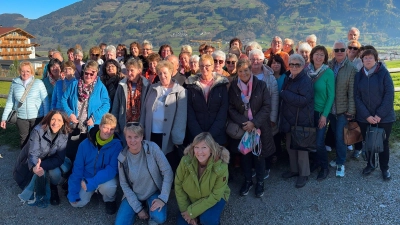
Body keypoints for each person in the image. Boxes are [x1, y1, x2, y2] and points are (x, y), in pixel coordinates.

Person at [228, 59, 275, 197]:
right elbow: (230, 108)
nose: (243, 73)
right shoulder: (233, 87)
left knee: (258, 155)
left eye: (246, 70)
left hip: (259, 127)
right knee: (245, 156)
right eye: (240, 71)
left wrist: (254, 122)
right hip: (243, 128)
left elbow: (267, 106)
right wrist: (245, 123)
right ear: (237, 72)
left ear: (251, 70)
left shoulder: (261, 85)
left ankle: (260, 182)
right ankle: (248, 180)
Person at [115, 125, 173, 225]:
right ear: (125, 137)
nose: (133, 140)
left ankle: (150, 211)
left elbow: (167, 172)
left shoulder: (152, 148)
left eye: (136, 136)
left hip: (153, 192)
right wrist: (138, 209)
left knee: (159, 218)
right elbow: (124, 184)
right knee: (120, 223)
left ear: (142, 137)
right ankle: (140, 207)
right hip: (134, 194)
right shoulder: (122, 157)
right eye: (129, 137)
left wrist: (162, 198)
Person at [67, 113, 122, 214]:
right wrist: (73, 192)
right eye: (106, 127)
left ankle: (109, 200)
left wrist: (92, 182)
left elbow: (112, 169)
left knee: (110, 186)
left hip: (103, 179)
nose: (108, 132)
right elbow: (78, 168)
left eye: (112, 129)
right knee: (75, 203)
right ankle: (90, 192)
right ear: (100, 126)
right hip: (86, 178)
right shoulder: (85, 144)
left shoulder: (117, 145)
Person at [14, 110, 72, 206]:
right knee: (31, 179)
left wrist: (42, 166)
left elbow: (59, 157)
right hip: (31, 160)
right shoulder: (38, 131)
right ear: (48, 120)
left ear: (63, 123)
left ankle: (53, 188)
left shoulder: (64, 134)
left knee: (56, 172)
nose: (55, 123)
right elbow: (33, 153)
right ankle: (39, 188)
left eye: (59, 120)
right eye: (53, 119)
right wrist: (34, 167)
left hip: (47, 161)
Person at [354, 49, 396, 180]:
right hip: (365, 117)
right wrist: (367, 116)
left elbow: (389, 95)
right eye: (365, 58)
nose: (367, 60)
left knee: (383, 143)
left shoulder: (383, 73)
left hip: (384, 117)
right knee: (368, 142)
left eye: (370, 57)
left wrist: (379, 115)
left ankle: (385, 168)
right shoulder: (359, 75)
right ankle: (370, 165)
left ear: (376, 59)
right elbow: (357, 97)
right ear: (362, 60)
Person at [140, 60, 187, 172]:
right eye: (160, 73)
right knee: (152, 161)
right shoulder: (152, 88)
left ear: (171, 72)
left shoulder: (180, 91)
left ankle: (168, 187)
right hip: (151, 133)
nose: (162, 76)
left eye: (165, 73)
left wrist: (177, 137)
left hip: (168, 135)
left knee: (167, 163)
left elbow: (181, 117)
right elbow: (144, 111)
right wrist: (141, 129)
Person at [175, 132, 230, 225]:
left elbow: (215, 196)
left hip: (214, 197)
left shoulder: (221, 166)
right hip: (191, 198)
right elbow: (178, 185)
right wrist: (185, 211)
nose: (199, 152)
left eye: (204, 147)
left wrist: (192, 212)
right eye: (196, 147)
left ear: (211, 150)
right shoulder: (185, 161)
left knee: (208, 219)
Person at [61, 60, 110, 162]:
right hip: (75, 126)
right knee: (72, 154)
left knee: (88, 156)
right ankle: (71, 176)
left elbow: (106, 105)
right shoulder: (74, 85)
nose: (88, 76)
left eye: (91, 73)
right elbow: (63, 99)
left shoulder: (100, 87)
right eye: (86, 73)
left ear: (96, 73)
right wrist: (70, 113)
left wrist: (94, 117)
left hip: (91, 127)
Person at [280, 54, 314, 188]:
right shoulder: (289, 77)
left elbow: (304, 100)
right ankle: (294, 170)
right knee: (290, 147)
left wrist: (285, 94)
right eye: (292, 64)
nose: (294, 67)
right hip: (289, 119)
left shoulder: (305, 80)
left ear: (302, 65)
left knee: (301, 149)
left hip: (301, 120)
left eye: (297, 64)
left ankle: (304, 174)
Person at [1, 61, 49, 148]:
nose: (25, 73)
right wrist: (4, 118)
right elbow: (10, 102)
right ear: (19, 71)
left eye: (28, 71)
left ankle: (36, 159)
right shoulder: (15, 83)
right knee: (24, 139)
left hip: (37, 117)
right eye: (23, 71)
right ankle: (24, 159)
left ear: (31, 71)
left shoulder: (38, 83)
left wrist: (46, 117)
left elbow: (45, 102)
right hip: (21, 118)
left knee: (37, 138)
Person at [327, 41, 357, 177]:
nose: (339, 52)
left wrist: (351, 110)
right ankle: (339, 157)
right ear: (333, 51)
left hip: (343, 110)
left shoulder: (351, 68)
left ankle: (341, 163)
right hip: (331, 109)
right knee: (336, 134)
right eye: (336, 50)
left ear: (346, 51)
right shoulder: (329, 65)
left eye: (342, 49)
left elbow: (352, 92)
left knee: (340, 137)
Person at [185, 54, 229, 146]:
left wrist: (211, 135)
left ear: (212, 66)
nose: (204, 68)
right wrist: (199, 135)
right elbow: (190, 112)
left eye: (207, 66)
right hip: (196, 136)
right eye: (201, 66)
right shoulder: (191, 85)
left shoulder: (221, 85)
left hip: (217, 136)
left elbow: (223, 112)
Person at [307, 46, 335, 180]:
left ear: (325, 58)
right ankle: (316, 161)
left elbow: (331, 96)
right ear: (312, 56)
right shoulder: (308, 71)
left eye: (322, 55)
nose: (318, 57)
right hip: (308, 111)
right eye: (316, 54)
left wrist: (324, 115)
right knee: (312, 141)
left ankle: (325, 167)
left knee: (319, 142)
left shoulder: (328, 73)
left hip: (321, 112)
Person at [112, 59, 150, 143]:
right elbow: (116, 105)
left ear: (139, 71)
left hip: (140, 124)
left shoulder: (146, 85)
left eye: (132, 70)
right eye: (127, 70)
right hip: (125, 124)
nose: (129, 73)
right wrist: (115, 125)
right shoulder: (122, 85)